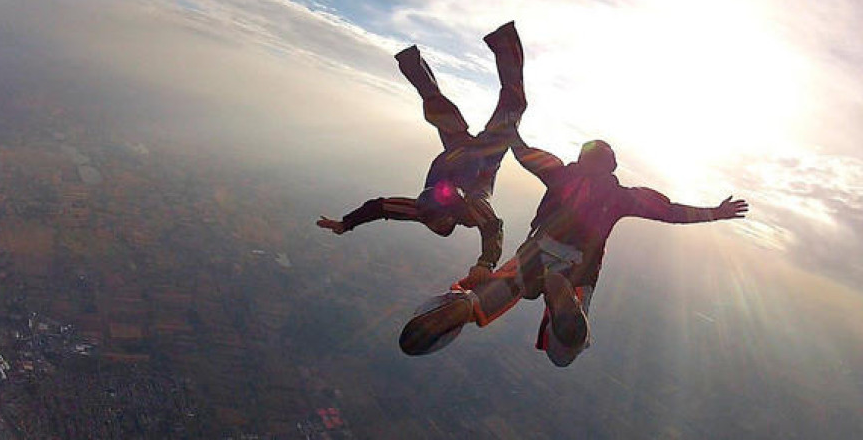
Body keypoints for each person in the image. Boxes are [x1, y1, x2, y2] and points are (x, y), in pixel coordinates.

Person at [400, 137, 749, 366]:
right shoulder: (623, 196)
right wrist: (715, 213)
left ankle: (464, 306)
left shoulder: (561, 174)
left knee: (493, 292)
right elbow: (670, 212)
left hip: (536, 251)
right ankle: (566, 295)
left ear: (580, 160)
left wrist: (508, 130)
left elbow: (524, 153)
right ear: (611, 168)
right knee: (563, 352)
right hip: (580, 265)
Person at [316, 21, 526, 284]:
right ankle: (502, 41)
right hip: (479, 155)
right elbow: (493, 227)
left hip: (462, 152)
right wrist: (486, 263)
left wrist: (345, 223)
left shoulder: (421, 209)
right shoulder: (472, 207)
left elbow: (380, 207)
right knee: (506, 102)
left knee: (441, 101)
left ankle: (412, 60)